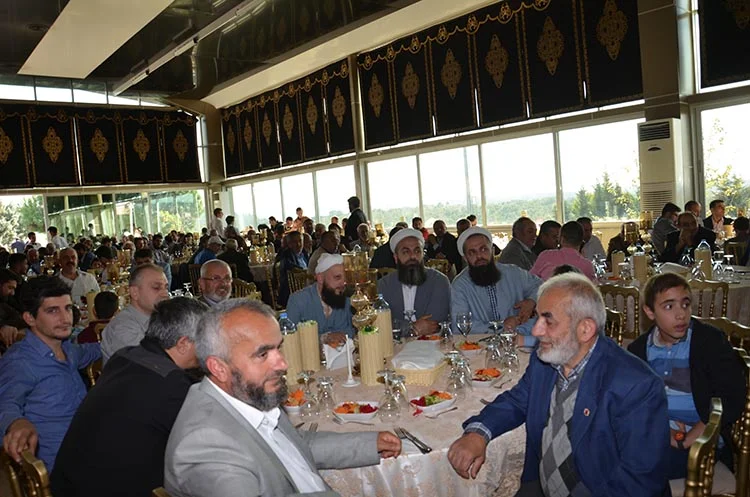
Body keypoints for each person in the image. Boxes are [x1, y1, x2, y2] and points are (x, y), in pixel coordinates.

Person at [448, 273, 671, 496]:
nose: (536, 331)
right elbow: (517, 401)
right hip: (540, 485)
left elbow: (639, 482)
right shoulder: (546, 360)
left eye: (548, 321)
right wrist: (478, 433)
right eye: (537, 318)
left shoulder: (637, 386)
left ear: (585, 329)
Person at [164, 299, 401, 496]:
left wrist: (369, 443)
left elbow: (296, 445)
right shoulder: (207, 445)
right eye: (263, 354)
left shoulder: (245, 395)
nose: (283, 364)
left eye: (278, 348)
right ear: (218, 368)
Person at [50, 298, 207, 497]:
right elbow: (203, 448)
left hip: (68, 483)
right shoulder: (172, 386)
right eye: (206, 342)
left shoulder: (125, 355)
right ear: (183, 344)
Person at [628, 273, 746, 481]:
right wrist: (666, 432)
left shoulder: (709, 341)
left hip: (703, 441)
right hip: (657, 435)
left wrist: (687, 438)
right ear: (649, 312)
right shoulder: (639, 350)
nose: (681, 314)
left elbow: (731, 396)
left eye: (685, 304)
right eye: (669, 306)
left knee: (639, 467)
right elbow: (633, 402)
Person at [0, 277, 101, 471]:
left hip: (90, 444)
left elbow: (94, 350)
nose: (65, 318)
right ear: (30, 318)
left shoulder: (68, 349)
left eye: (68, 308)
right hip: (64, 467)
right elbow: (6, 401)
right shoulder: (20, 361)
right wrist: (16, 423)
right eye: (53, 310)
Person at [451, 227, 540, 345]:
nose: (479, 256)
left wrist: (531, 301)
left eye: (484, 249)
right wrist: (503, 327)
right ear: (465, 258)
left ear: (492, 250)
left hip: (519, 342)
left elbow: (542, 286)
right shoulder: (460, 285)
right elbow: (459, 326)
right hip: (480, 346)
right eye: (472, 252)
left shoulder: (513, 273)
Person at [377, 229, 450, 336]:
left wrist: (400, 327)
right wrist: (413, 328)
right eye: (406, 252)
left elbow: (433, 323)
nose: (412, 257)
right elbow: (380, 324)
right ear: (396, 258)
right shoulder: (384, 285)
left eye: (417, 251)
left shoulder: (439, 281)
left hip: (431, 342)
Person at [100, 264, 170, 364]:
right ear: (134, 292)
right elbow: (154, 363)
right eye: (156, 288)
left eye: (166, 287)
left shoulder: (160, 318)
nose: (165, 294)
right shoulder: (122, 328)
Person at [287, 254, 354, 345]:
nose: (343, 283)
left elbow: (350, 332)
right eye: (337, 277)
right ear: (320, 278)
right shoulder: (298, 301)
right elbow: (289, 338)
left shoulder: (345, 300)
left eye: (344, 278)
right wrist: (324, 338)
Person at [530, 221, 596, 281]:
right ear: (582, 241)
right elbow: (593, 288)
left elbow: (530, 279)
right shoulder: (587, 266)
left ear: (561, 239)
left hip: (547, 290)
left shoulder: (545, 256)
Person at [277, 231, 310, 307]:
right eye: (294, 242)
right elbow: (290, 267)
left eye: (300, 241)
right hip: (292, 291)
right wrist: (305, 272)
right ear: (289, 244)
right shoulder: (286, 254)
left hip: (306, 286)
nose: (298, 244)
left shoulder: (304, 253)